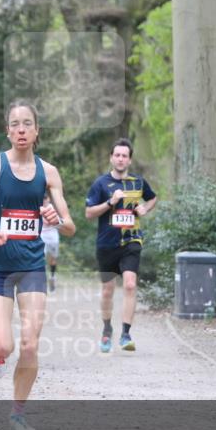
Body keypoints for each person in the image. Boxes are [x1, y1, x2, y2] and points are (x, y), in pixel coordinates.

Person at [0, 101, 75, 430]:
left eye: (27, 124)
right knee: (3, 345)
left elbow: (70, 227)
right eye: (14, 124)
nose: (21, 130)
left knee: (31, 344)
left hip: (32, 267)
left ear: (37, 131)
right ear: (7, 131)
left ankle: (18, 415)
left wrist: (57, 219)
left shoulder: (48, 173)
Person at [85, 138, 157, 353]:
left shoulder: (138, 182)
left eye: (124, 156)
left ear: (129, 160)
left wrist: (145, 207)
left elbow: (153, 198)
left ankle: (126, 334)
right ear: (111, 158)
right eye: (117, 155)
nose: (120, 159)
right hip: (107, 244)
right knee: (107, 291)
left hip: (131, 241)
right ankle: (107, 330)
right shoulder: (100, 184)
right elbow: (88, 213)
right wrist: (110, 202)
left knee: (130, 284)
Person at [40, 192, 61, 292]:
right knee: (41, 258)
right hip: (42, 235)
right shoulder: (38, 207)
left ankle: (52, 277)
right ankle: (42, 280)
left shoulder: (53, 208)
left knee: (53, 259)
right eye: (43, 199)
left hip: (53, 236)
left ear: (49, 199)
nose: (44, 201)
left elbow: (55, 221)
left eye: (46, 198)